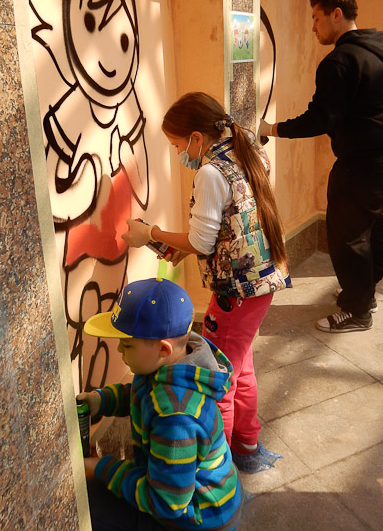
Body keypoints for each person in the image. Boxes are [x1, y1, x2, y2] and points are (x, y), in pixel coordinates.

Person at [122, 93, 292, 473]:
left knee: (219, 379)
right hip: (262, 281)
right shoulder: (247, 147)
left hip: (237, 292)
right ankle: (247, 446)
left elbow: (202, 240)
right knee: (240, 368)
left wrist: (149, 232)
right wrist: (179, 248)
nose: (178, 154)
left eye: (177, 145)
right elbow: (233, 225)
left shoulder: (211, 173)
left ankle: (219, 472)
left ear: (196, 138)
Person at [259, 0, 383, 334]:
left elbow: (321, 118)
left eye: (316, 18)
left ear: (336, 14)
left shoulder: (339, 61)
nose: (313, 27)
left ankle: (356, 312)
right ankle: (365, 295)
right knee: (375, 229)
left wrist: (272, 128)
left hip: (363, 166)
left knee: (346, 236)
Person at [79, 277, 242, 531]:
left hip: (198, 530)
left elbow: (167, 502)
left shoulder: (176, 419)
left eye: (127, 345)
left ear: (163, 349)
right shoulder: (171, 365)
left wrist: (100, 468)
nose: (119, 350)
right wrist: (101, 401)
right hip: (180, 498)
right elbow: (140, 393)